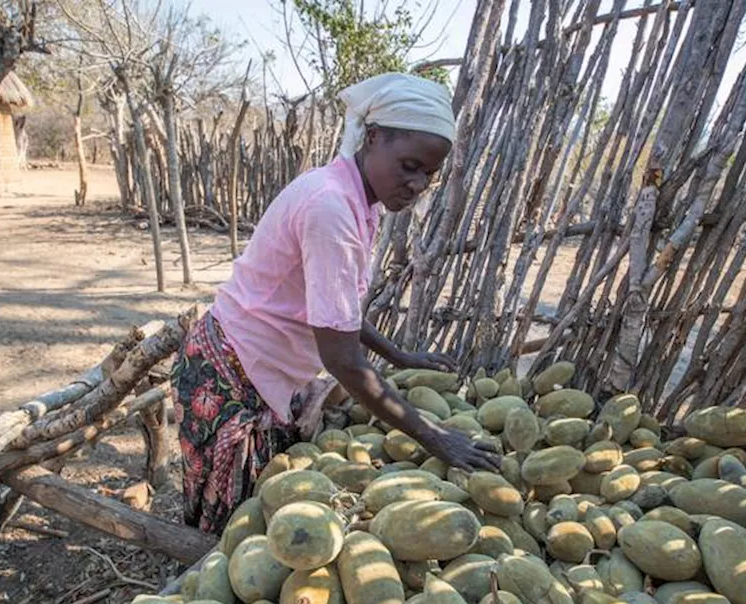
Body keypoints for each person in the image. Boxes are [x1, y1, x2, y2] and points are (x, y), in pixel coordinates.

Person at [171, 73, 501, 533]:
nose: (418, 183)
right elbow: (342, 358)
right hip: (231, 374)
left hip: (258, 369)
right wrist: (435, 438)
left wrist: (397, 355)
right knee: (232, 534)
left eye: (429, 173)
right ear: (372, 137)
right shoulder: (330, 206)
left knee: (259, 523)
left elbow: (336, 307)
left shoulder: (357, 201)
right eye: (409, 165)